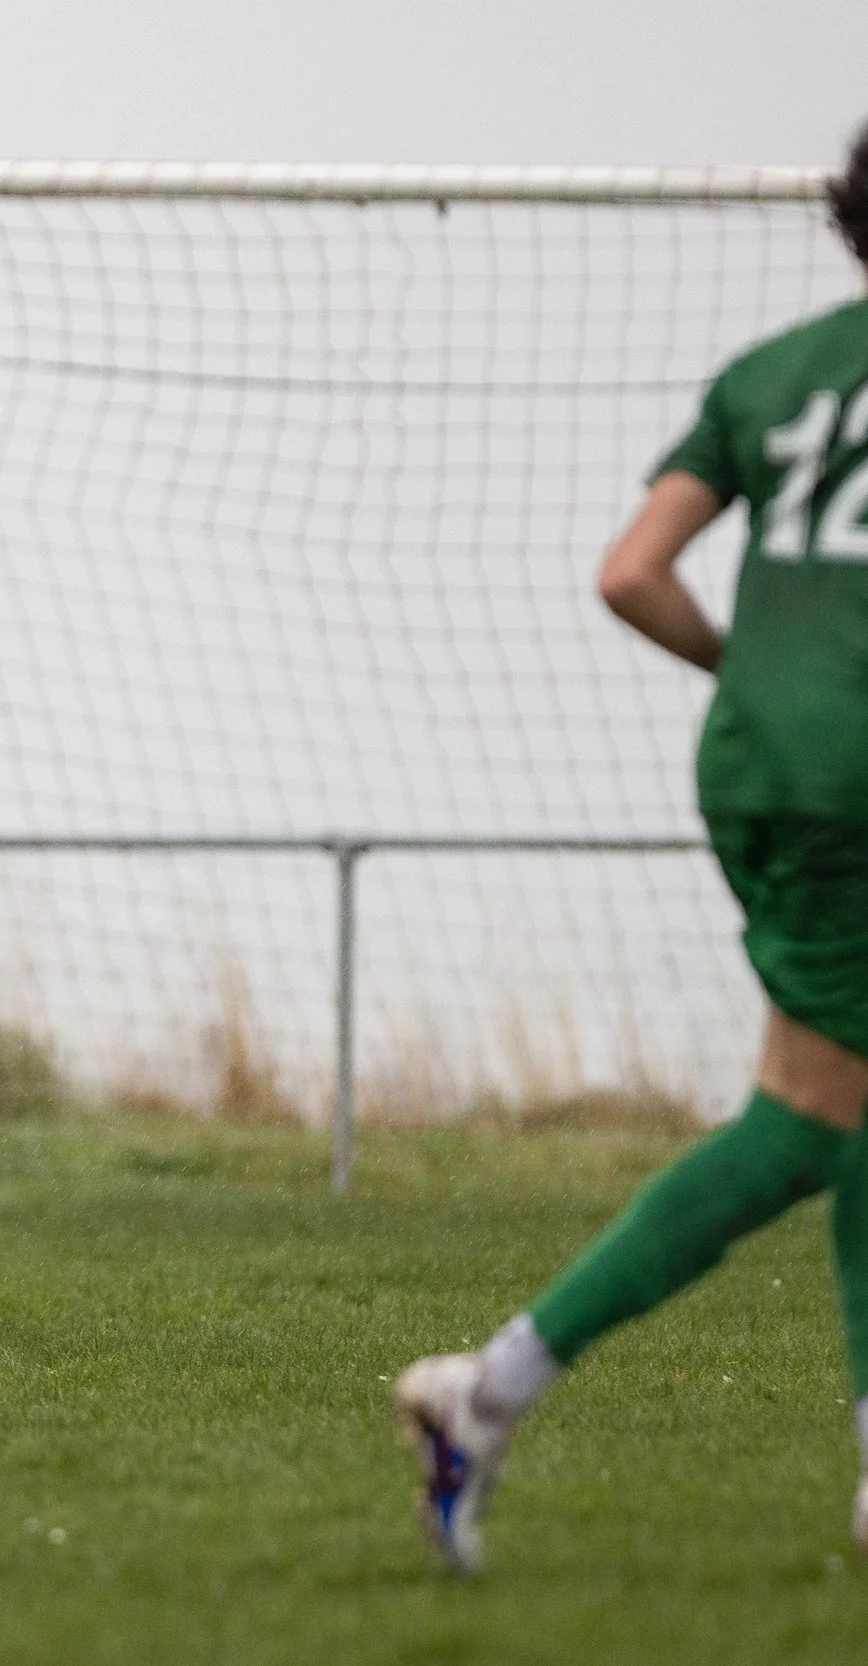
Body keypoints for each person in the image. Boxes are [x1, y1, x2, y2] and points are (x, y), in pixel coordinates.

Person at [394, 127, 868, 1572]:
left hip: (760, 760)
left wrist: (756, 670)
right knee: (807, 1114)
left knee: (843, 1088)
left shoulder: (778, 373)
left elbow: (629, 571)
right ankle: (493, 1384)